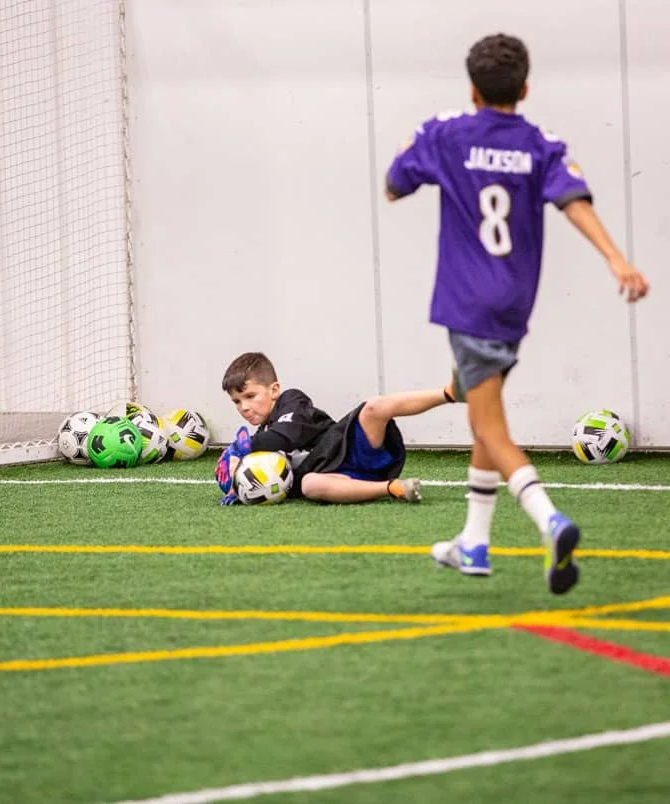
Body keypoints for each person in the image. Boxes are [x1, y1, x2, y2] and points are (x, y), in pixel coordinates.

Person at [384, 34, 649, 594]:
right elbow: (574, 200)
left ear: (472, 89)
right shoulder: (540, 143)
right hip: (513, 303)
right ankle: (474, 544)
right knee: (484, 409)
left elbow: (394, 186)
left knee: (487, 424)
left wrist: (417, 149)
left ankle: (549, 521)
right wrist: (616, 258)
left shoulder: (446, 132)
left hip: (466, 301)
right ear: (524, 88)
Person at [216, 351, 456, 505]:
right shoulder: (262, 440)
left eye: (250, 396)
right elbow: (277, 483)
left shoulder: (292, 401)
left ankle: (449, 393)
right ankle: (391, 488)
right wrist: (241, 489)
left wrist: (241, 447)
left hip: (350, 448)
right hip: (341, 479)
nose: (244, 407)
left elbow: (285, 437)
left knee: (374, 407)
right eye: (237, 402)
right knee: (311, 484)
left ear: (274, 390)